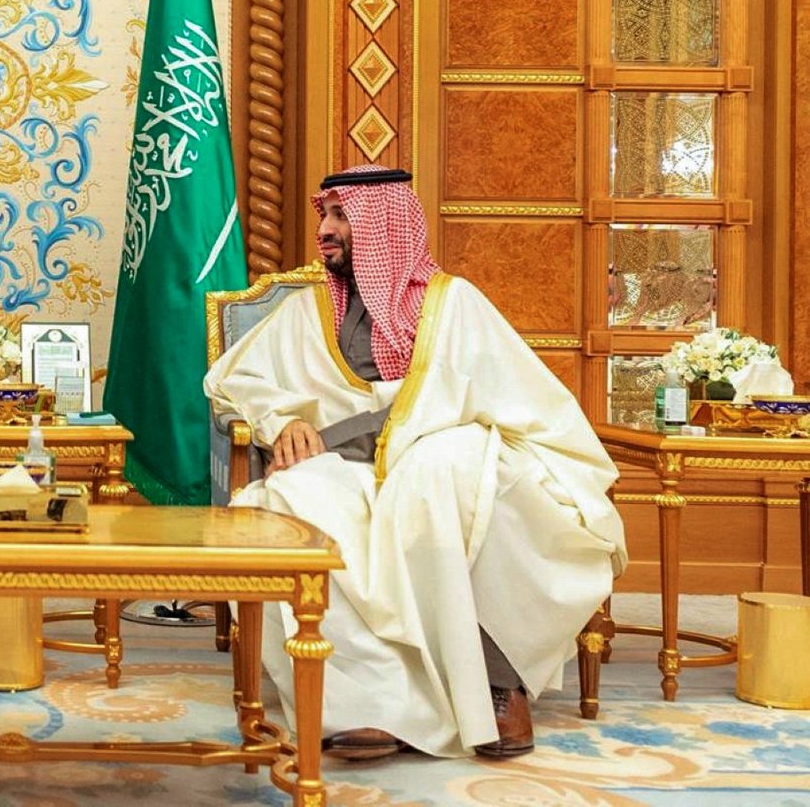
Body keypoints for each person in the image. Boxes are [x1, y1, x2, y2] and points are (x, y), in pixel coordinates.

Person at [204, 165, 626, 760]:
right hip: (345, 466)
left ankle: (498, 685)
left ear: (383, 226)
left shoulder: (454, 304)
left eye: (341, 216)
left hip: (443, 450)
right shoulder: (308, 311)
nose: (324, 230)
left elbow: (485, 395)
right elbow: (236, 379)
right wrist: (284, 422)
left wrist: (359, 436)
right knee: (295, 498)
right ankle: (372, 703)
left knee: (442, 479)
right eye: (325, 215)